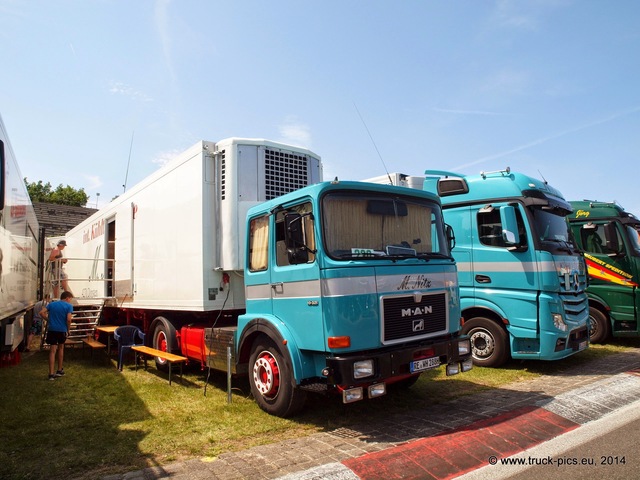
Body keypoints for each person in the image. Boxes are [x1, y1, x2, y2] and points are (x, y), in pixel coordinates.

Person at [41, 291, 74, 381]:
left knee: (52, 351)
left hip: (52, 329)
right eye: (70, 299)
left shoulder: (52, 304)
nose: (70, 301)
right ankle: (59, 370)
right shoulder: (68, 306)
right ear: (67, 298)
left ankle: (51, 374)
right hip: (62, 330)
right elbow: (68, 319)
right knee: (61, 348)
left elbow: (41, 313)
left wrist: (48, 320)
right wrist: (68, 329)